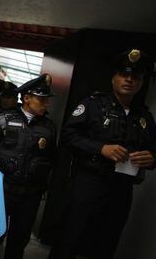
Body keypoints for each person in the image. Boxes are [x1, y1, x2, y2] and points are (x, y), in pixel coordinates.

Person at [49, 49, 156, 259]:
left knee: (107, 241)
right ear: (114, 77)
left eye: (135, 76)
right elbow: (69, 136)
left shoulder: (144, 116)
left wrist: (152, 158)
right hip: (89, 182)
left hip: (122, 188)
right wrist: (101, 148)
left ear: (141, 82)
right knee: (69, 238)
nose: (129, 80)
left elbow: (153, 148)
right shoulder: (93, 105)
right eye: (124, 74)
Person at [0, 74, 57, 259]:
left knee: (19, 241)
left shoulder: (49, 127)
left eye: (47, 99)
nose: (46, 104)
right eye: (41, 99)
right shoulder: (3, 119)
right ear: (27, 98)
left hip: (30, 195)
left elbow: (51, 159)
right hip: (2, 191)